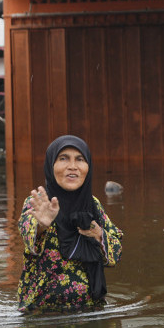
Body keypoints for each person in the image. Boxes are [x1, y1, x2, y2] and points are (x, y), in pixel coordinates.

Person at [17, 134, 122, 313]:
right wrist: (42, 225)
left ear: (88, 166)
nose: (72, 166)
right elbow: (27, 234)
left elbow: (115, 252)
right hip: (42, 316)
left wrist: (98, 234)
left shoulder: (93, 205)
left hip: (90, 311)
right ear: (51, 165)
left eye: (80, 159)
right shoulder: (40, 202)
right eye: (63, 159)